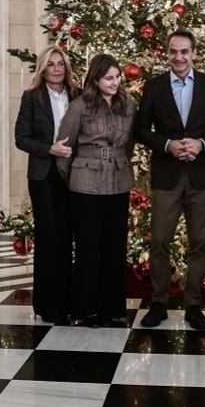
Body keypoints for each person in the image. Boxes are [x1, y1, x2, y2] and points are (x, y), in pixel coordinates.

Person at [134, 29, 205, 331]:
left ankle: (193, 305)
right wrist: (169, 145)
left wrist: (201, 144)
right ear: (167, 53)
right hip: (167, 174)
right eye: (174, 51)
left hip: (201, 175)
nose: (179, 57)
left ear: (193, 53)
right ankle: (159, 302)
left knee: (199, 243)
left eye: (184, 52)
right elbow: (141, 130)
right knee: (160, 241)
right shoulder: (154, 86)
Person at [56, 54, 137, 327]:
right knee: (88, 248)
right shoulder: (79, 107)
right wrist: (79, 175)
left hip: (118, 181)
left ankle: (112, 309)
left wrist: (118, 162)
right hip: (85, 184)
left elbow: (129, 145)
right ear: (96, 80)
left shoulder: (129, 106)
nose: (115, 83)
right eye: (108, 78)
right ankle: (83, 308)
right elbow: (64, 151)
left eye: (117, 77)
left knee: (115, 247)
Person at [14, 46, 79, 324]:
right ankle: (47, 303)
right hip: (43, 173)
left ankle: (68, 300)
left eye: (60, 64)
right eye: (51, 64)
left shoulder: (77, 95)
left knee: (68, 235)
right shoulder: (32, 97)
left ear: (66, 68)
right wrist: (49, 149)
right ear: (42, 68)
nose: (56, 69)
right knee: (49, 235)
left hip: (74, 174)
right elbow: (21, 138)